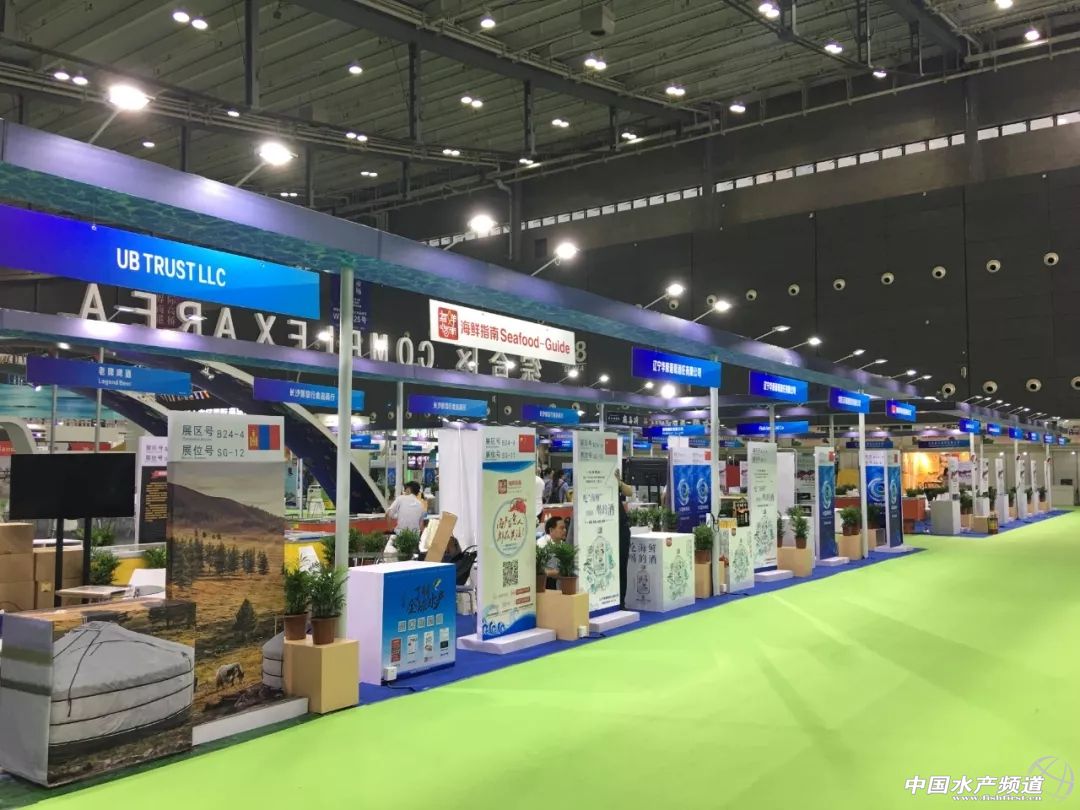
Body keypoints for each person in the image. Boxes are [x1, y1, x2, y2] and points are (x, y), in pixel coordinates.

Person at [614, 469, 634, 609]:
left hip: (621, 528)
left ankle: (621, 602)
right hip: (604, 525)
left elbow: (629, 491)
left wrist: (619, 482)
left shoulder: (616, 481)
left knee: (621, 566)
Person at [538, 516, 568, 590]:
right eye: (561, 528)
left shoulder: (564, 545)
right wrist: (549, 572)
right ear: (551, 530)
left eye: (565, 528)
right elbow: (537, 568)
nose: (565, 530)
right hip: (545, 583)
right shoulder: (541, 544)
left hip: (560, 582)